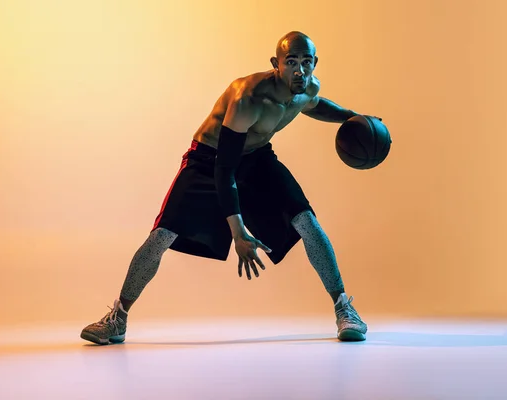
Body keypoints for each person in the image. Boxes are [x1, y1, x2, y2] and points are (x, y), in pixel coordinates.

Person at [80, 31, 377, 344]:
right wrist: (238, 232)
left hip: (257, 157)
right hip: (210, 160)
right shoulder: (248, 98)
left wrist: (352, 117)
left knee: (307, 221)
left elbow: (313, 104)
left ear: (315, 63)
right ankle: (118, 319)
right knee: (161, 236)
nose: (300, 71)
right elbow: (224, 170)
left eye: (306, 62)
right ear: (277, 64)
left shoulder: (307, 88)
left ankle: (344, 309)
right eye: (291, 62)